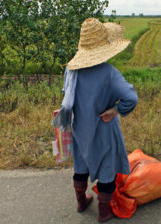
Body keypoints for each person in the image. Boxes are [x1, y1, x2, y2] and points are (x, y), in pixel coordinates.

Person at [52, 18, 138, 223]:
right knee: (107, 169)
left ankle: (81, 202)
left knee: (81, 164)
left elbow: (67, 95)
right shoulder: (109, 73)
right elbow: (131, 98)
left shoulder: (71, 70)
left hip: (79, 128)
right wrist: (115, 110)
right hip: (103, 129)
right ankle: (103, 212)